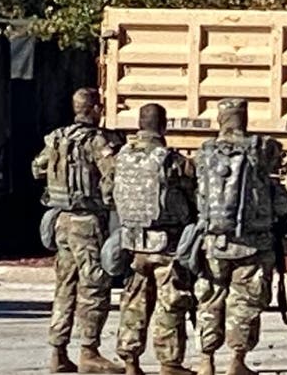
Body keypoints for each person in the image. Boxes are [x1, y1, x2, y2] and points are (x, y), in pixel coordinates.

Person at [31, 87, 125, 374]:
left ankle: (58, 352)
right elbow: (114, 175)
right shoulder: (97, 140)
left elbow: (37, 168)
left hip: (61, 219)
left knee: (65, 286)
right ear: (95, 108)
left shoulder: (57, 137)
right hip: (87, 222)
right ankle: (89, 351)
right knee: (94, 285)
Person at [192, 98, 287, 375]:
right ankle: (236, 361)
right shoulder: (260, 148)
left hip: (213, 241)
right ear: (244, 119)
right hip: (252, 242)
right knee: (245, 302)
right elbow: (277, 158)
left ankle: (205, 361)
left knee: (210, 299)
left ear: (220, 120)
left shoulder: (205, 151)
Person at [112, 104, 197, 375]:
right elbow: (194, 192)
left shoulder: (122, 156)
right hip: (165, 243)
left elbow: (107, 191)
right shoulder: (171, 160)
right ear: (164, 126)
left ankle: (130, 361)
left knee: (134, 301)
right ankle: (169, 363)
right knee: (170, 302)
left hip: (132, 242)